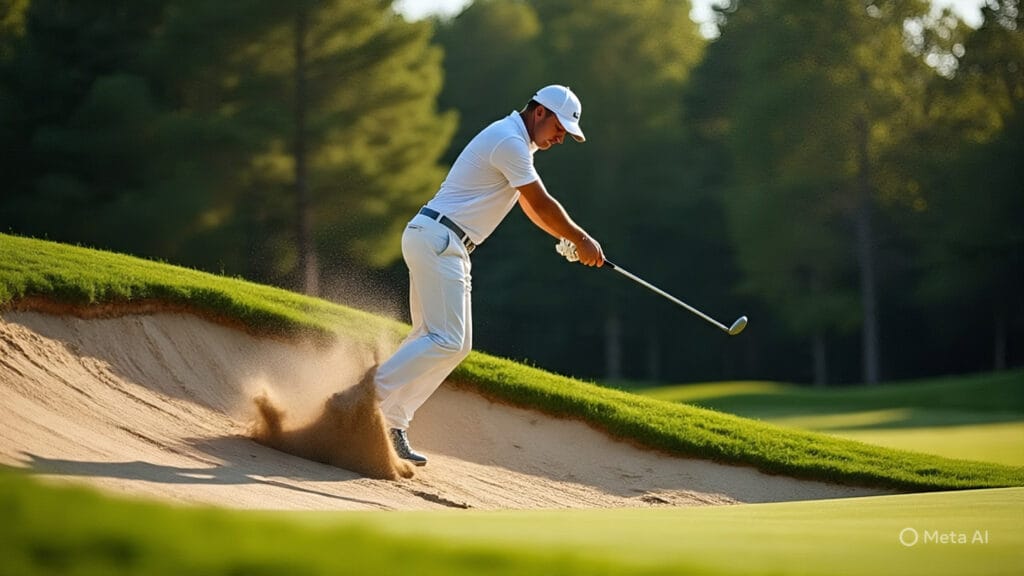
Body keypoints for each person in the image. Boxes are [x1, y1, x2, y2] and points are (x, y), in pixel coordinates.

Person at [374, 85, 605, 466]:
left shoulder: (520, 144)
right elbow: (541, 202)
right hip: (439, 238)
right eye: (559, 127)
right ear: (540, 112)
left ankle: (392, 421)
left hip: (444, 241)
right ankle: (367, 394)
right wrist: (580, 237)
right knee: (446, 338)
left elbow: (530, 206)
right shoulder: (508, 141)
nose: (561, 137)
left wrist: (568, 239)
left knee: (449, 343)